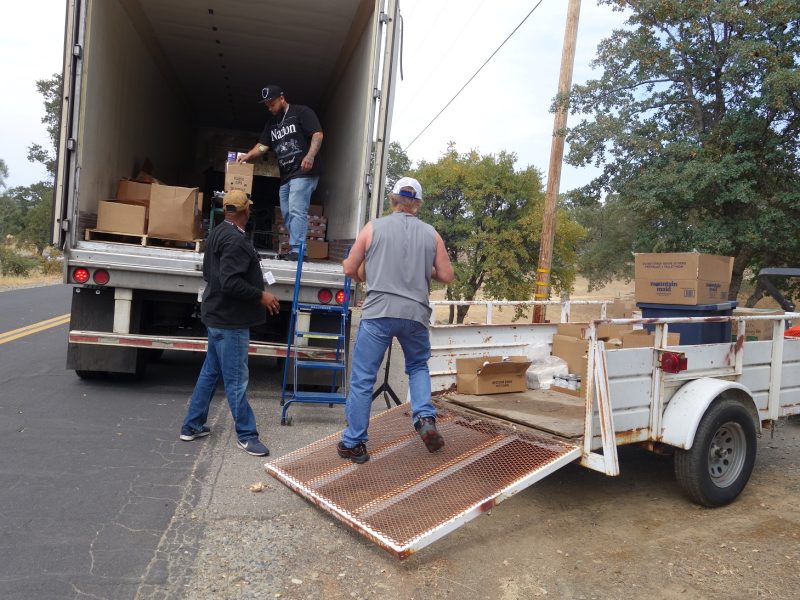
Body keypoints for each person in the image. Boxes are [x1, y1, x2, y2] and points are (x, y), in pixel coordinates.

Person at [337, 177, 455, 464]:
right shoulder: (431, 234)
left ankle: (354, 444)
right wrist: (421, 266)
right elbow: (446, 275)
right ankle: (425, 417)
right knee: (417, 366)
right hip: (415, 314)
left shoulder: (373, 228)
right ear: (418, 203)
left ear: (393, 199)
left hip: (379, 312)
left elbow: (350, 267)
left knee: (364, 378)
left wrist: (369, 269)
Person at [180, 190, 281, 456]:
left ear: (227, 210)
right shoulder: (235, 242)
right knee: (236, 380)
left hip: (216, 315)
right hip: (230, 321)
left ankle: (192, 426)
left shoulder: (216, 233)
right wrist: (261, 294)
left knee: (210, 373)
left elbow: (208, 274)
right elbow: (230, 282)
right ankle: (246, 435)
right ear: (246, 211)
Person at [239, 85, 323, 261]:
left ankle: (299, 251)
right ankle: (295, 248)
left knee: (296, 210)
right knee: (286, 211)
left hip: (304, 171)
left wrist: (310, 156)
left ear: (282, 98)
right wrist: (249, 155)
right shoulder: (272, 124)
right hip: (286, 176)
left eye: (272, 104)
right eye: (267, 106)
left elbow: (317, 134)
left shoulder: (301, 112)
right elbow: (263, 145)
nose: (270, 108)